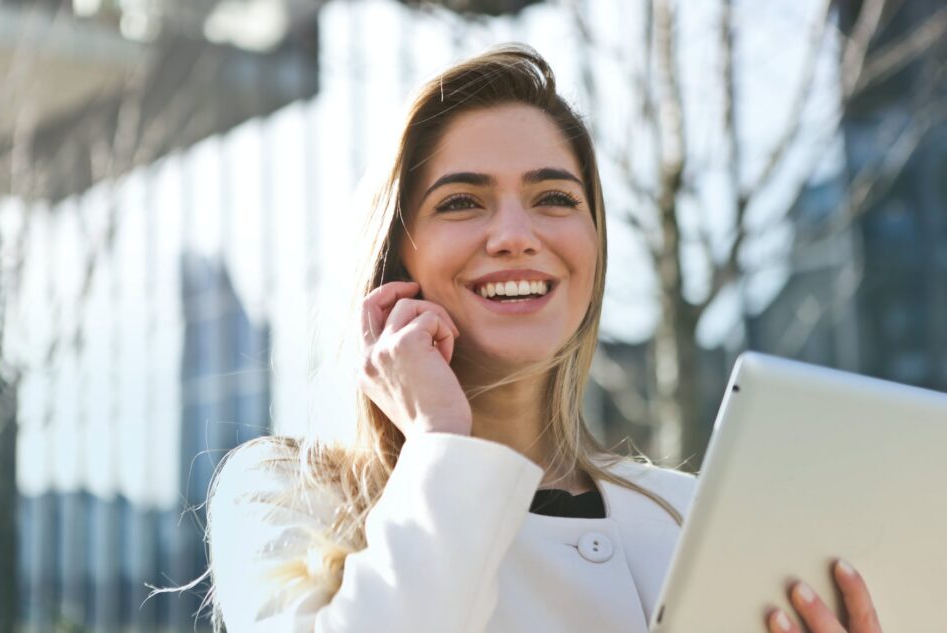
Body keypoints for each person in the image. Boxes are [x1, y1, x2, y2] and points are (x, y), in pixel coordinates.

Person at [205, 44, 882, 633]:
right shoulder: (280, 495)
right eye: (462, 201)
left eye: (554, 198)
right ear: (396, 258)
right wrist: (442, 439)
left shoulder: (688, 516)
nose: (515, 235)